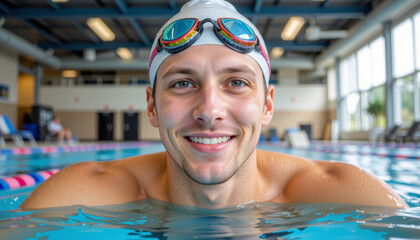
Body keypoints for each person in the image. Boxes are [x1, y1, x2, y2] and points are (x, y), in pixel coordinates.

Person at [20, 0, 408, 209]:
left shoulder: (344, 193)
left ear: (267, 104)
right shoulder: (79, 194)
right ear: (152, 107)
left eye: (236, 82)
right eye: (183, 83)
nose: (209, 110)